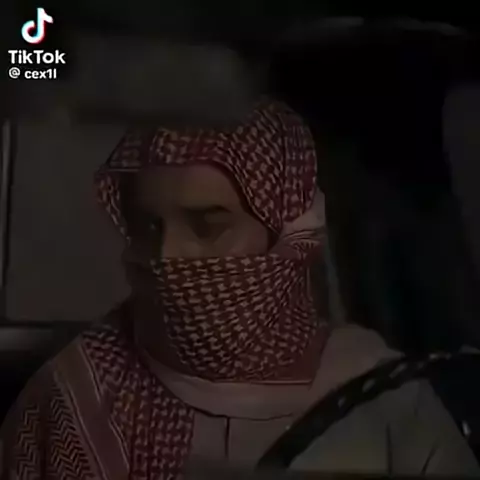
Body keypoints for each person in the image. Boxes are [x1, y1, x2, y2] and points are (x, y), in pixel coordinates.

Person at [1, 98, 478, 479]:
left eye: (208, 227)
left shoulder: (378, 391)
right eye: (148, 227)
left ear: (284, 232)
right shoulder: (74, 397)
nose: (167, 257)